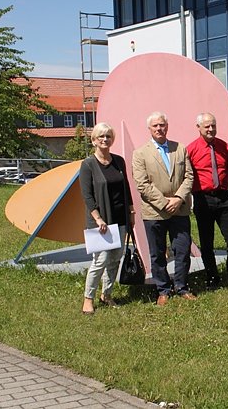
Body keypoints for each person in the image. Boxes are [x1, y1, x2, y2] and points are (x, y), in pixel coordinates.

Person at [132, 111, 196, 306]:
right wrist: (164, 202)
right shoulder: (140, 153)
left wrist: (178, 198)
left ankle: (182, 286)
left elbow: (189, 176)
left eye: (162, 125)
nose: (159, 128)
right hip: (154, 212)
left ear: (167, 127)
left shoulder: (180, 148)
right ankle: (163, 290)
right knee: (157, 253)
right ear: (149, 128)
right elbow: (142, 184)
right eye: (155, 126)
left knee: (182, 250)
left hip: (180, 209)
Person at [80, 123, 134, 315]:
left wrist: (131, 212)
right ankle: (88, 299)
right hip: (101, 221)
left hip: (120, 218)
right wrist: (98, 218)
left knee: (115, 259)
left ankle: (107, 294)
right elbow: (87, 195)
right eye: (101, 136)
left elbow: (126, 187)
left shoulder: (119, 161)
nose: (105, 139)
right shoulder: (88, 164)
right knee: (100, 260)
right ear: (94, 140)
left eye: (108, 136)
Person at [187, 112, 228, 292]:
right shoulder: (191, 149)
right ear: (198, 128)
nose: (211, 129)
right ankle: (212, 277)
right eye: (207, 126)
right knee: (207, 243)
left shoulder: (223, 146)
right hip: (203, 199)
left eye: (213, 125)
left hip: (224, 198)